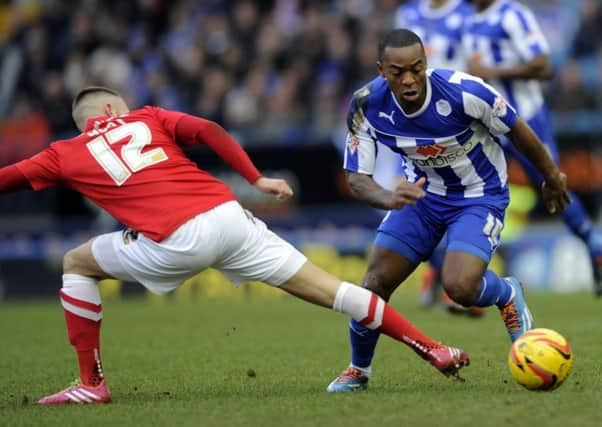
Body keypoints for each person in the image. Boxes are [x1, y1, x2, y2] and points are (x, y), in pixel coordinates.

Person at [0, 86, 470, 405]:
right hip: (230, 217)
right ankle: (434, 348)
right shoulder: (148, 117)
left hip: (176, 239)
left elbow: (10, 179)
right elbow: (208, 131)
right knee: (331, 289)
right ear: (109, 111)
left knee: (76, 262)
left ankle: (91, 384)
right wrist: (256, 178)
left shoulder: (62, 152)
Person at [326, 29, 570, 393]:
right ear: (381, 70)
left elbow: (518, 130)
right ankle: (358, 370)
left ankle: (505, 293)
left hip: (478, 195)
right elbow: (357, 178)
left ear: (426, 63)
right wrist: (387, 197)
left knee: (460, 287)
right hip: (421, 198)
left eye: (417, 68)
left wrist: (551, 176)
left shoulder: (465, 92)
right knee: (373, 285)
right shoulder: (365, 105)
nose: (409, 79)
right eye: (397, 72)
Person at [463, 0, 602, 297]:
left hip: (525, 118)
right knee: (472, 187)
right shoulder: (466, 18)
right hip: (487, 123)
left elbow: (543, 65)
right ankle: (462, 275)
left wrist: (491, 70)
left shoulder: (512, 14)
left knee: (552, 183)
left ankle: (593, 243)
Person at [395, 0, 483, 313]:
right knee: (415, 204)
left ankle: (457, 283)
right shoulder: (407, 14)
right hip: (412, 125)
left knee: (461, 204)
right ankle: (443, 277)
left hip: (454, 122)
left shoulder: (465, 14)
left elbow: (477, 66)